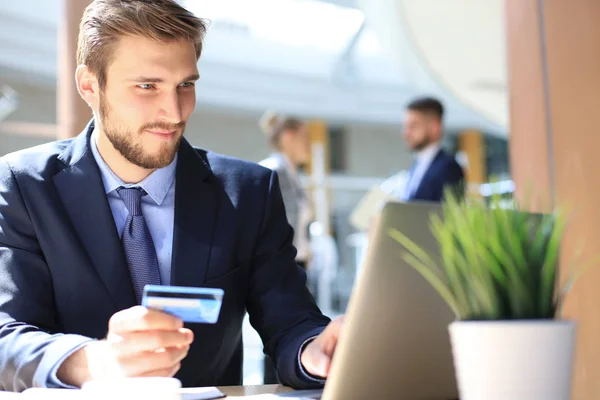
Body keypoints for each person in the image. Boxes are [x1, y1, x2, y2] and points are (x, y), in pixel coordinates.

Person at [0, 0, 343, 392]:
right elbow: (6, 336)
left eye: (186, 85)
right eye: (147, 86)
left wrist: (315, 352)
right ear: (89, 85)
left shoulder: (248, 192)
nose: (174, 111)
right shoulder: (24, 186)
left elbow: (292, 322)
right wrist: (92, 360)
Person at [258, 112, 313, 271]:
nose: (309, 145)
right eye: (305, 137)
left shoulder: (290, 174)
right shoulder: (274, 171)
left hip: (294, 261)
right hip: (279, 265)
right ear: (288, 137)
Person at [384, 97, 464, 202]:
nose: (406, 133)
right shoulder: (417, 164)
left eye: (413, 126)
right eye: (405, 126)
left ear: (434, 128)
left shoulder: (449, 167)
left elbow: (447, 212)